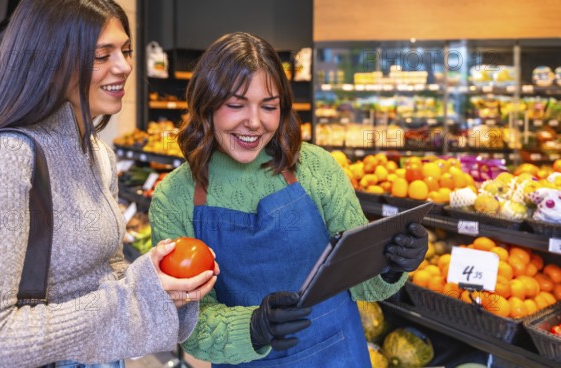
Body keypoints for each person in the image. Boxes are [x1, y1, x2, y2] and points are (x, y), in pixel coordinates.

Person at [0, 0, 218, 368]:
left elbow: (105, 274)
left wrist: (155, 281)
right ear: (50, 60)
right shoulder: (5, 159)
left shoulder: (99, 154)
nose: (125, 66)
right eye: (102, 55)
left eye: (126, 50)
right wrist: (131, 298)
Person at [149, 32, 428, 367]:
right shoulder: (175, 197)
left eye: (269, 106)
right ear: (205, 104)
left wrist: (390, 262)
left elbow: (364, 286)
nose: (254, 122)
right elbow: (188, 323)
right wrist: (251, 329)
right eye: (236, 105)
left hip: (339, 353)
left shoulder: (315, 168)